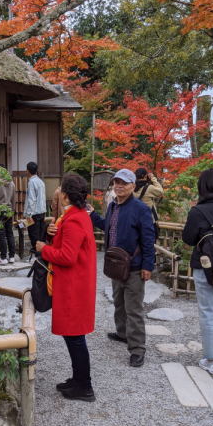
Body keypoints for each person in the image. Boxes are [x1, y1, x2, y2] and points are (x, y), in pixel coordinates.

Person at [36, 173, 97, 402]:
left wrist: (44, 248)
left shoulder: (72, 219)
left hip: (73, 285)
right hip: (78, 282)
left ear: (64, 195)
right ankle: (79, 379)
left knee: (75, 337)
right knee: (74, 336)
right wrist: (52, 234)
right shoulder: (78, 216)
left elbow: (67, 257)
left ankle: (84, 386)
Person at [89, 168, 156, 367]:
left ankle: (137, 349)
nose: (119, 186)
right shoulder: (112, 207)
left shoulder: (140, 208)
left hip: (134, 266)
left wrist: (147, 265)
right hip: (115, 265)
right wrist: (93, 215)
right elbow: (106, 226)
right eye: (117, 182)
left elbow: (148, 238)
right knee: (118, 302)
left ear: (133, 186)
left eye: (124, 183)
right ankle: (122, 333)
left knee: (134, 308)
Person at [182, 168, 213, 375]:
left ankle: (212, 360)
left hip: (206, 267)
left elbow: (187, 239)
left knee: (208, 312)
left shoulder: (198, 211)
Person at [0, 166, 16, 265]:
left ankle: (3, 257)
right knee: (10, 233)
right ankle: (12, 256)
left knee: (1, 235)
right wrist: (12, 209)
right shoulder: (12, 183)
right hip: (9, 210)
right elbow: (14, 199)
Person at [23, 161, 46, 255]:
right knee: (40, 234)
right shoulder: (41, 181)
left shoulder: (31, 182)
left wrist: (29, 214)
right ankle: (41, 255)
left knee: (33, 234)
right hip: (42, 211)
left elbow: (31, 200)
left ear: (27, 171)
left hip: (34, 213)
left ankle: (36, 255)